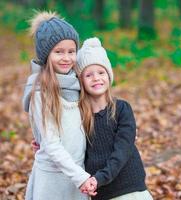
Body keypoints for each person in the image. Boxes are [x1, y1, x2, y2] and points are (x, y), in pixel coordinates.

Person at [23, 11, 96, 200]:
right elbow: (52, 144)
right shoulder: (41, 92)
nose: (66, 58)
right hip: (53, 181)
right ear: (46, 54)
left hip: (78, 174)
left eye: (71, 51)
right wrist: (81, 178)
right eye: (58, 52)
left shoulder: (76, 83)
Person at [77, 37, 153, 200]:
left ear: (109, 75)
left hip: (129, 187)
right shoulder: (80, 116)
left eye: (101, 72)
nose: (96, 78)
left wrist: (100, 178)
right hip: (101, 192)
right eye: (89, 75)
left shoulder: (122, 109)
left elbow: (123, 149)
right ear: (81, 81)